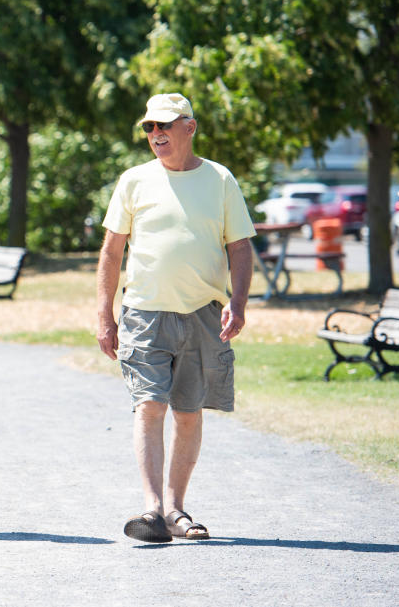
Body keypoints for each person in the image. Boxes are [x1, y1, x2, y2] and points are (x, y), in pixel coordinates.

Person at [96, 93, 255, 543]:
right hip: (144, 312)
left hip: (204, 314)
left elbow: (240, 247)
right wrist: (104, 316)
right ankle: (151, 509)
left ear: (190, 127)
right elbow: (111, 251)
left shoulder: (220, 179)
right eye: (148, 127)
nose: (155, 134)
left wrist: (237, 302)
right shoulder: (134, 181)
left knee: (188, 412)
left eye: (164, 125)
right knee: (149, 405)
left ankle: (175, 508)